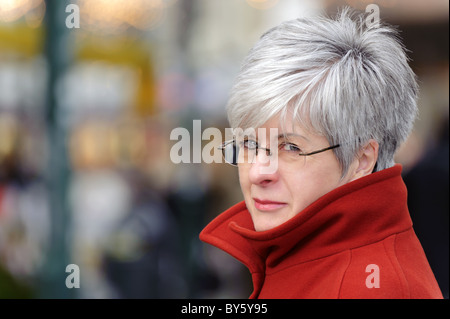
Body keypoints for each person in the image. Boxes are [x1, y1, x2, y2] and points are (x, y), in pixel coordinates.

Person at [199, 8, 443, 299]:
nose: (257, 172)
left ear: (361, 159)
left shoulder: (371, 287)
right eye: (250, 144)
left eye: (291, 147)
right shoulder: (303, 250)